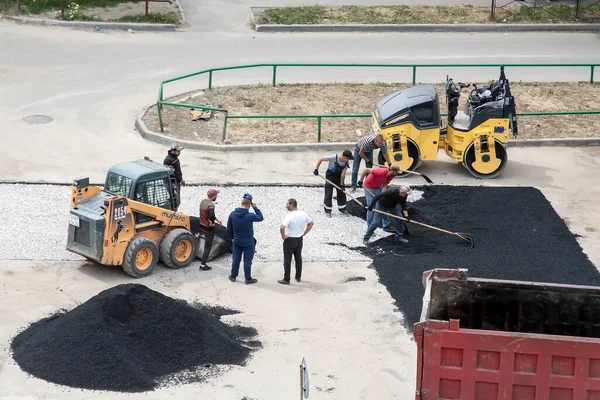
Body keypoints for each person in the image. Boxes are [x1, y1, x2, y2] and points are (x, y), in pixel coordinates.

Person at [226, 193, 263, 284]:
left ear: (241, 203)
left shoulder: (232, 214)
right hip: (248, 241)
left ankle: (233, 276)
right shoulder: (250, 216)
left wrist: (232, 238)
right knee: (247, 260)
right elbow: (260, 218)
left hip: (237, 240)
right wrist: (256, 208)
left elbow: (229, 229)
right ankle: (248, 278)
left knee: (236, 259)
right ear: (249, 206)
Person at [278, 199, 314, 285]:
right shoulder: (303, 214)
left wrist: (283, 237)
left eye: (287, 204)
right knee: (298, 258)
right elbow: (311, 223)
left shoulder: (289, 216)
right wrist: (305, 232)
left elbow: (282, 227)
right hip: (299, 239)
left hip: (290, 240)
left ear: (291, 205)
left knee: (287, 260)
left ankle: (286, 279)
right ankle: (298, 277)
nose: (286, 205)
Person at [358, 164, 401, 233]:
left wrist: (383, 194)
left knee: (383, 204)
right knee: (371, 208)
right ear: (391, 170)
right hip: (368, 187)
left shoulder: (391, 176)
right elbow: (366, 170)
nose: (396, 174)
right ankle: (370, 229)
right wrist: (360, 180)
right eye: (395, 172)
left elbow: (385, 185)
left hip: (377, 188)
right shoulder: (380, 171)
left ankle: (386, 225)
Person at [313, 149, 353, 218]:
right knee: (328, 193)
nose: (349, 160)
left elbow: (343, 174)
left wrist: (341, 184)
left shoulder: (346, 163)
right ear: (344, 157)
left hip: (339, 177)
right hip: (330, 176)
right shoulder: (334, 157)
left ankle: (342, 209)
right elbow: (321, 159)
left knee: (341, 192)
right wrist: (316, 169)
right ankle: (328, 210)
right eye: (348, 158)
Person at [198, 188, 222, 271]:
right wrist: (212, 221)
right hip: (208, 228)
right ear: (214, 196)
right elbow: (211, 215)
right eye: (216, 195)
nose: (217, 197)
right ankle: (203, 265)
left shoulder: (202, 202)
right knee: (207, 247)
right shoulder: (211, 205)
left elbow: (207, 214)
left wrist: (216, 219)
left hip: (201, 225)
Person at [164, 143, 185, 209]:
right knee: (175, 199)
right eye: (178, 151)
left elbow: (177, 171)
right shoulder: (168, 160)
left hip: (176, 181)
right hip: (172, 182)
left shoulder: (174, 158)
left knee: (176, 199)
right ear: (173, 151)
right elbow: (171, 172)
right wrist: (180, 179)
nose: (179, 153)